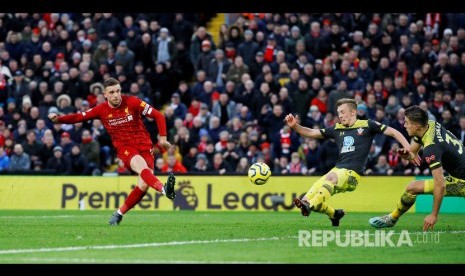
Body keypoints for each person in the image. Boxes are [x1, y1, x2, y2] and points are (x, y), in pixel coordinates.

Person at [48, 77, 176, 226]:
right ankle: (165, 190)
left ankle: (118, 214)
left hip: (145, 146)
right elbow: (79, 117)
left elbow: (158, 115)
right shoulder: (101, 110)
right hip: (125, 148)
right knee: (143, 169)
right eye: (112, 92)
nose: (116, 95)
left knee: (143, 185)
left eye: (118, 91)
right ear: (105, 95)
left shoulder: (133, 102)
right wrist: (59, 119)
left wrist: (162, 138)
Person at [284, 98, 416, 226]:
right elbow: (312, 132)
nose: (340, 116)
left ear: (353, 112)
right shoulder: (337, 128)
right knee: (307, 198)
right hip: (337, 170)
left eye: (342, 112)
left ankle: (310, 206)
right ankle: (334, 214)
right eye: (338, 113)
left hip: (353, 174)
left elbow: (394, 132)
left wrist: (410, 150)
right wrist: (295, 126)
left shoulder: (367, 125)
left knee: (319, 192)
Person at [369, 105, 465, 231]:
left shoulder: (431, 147)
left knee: (418, 187)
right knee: (412, 187)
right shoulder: (430, 125)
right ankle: (392, 218)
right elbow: (412, 152)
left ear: (416, 125)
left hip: (462, 181)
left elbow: (440, 184)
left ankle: (392, 218)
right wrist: (407, 155)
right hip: (458, 176)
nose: (404, 125)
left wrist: (433, 215)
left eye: (407, 123)